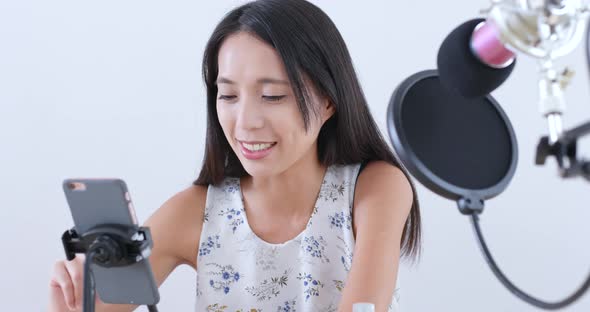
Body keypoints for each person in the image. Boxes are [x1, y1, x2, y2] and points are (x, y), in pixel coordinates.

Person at [47, 0, 421, 311]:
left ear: (327, 100)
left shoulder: (375, 188)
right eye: (227, 95)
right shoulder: (196, 212)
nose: (245, 122)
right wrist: (72, 299)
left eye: (273, 95)